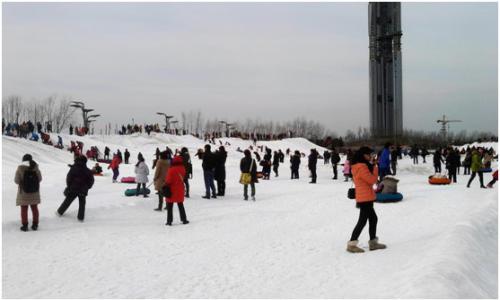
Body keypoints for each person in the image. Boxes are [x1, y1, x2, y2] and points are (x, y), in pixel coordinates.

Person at [347, 147, 386, 253]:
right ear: (362, 155)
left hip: (365, 196)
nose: (370, 156)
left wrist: (372, 165)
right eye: (368, 154)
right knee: (363, 221)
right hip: (364, 197)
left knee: (372, 219)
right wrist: (375, 167)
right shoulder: (361, 166)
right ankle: (352, 244)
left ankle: (372, 242)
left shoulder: (360, 165)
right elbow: (372, 180)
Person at [56, 156, 94, 222]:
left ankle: (59, 212)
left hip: (73, 188)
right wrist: (87, 187)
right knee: (82, 204)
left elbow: (69, 178)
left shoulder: (74, 168)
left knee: (67, 201)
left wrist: (69, 186)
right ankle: (80, 218)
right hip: (83, 190)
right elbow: (91, 180)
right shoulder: (88, 171)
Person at [15, 154, 42, 231]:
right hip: (34, 192)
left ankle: (25, 225)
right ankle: (35, 224)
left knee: (24, 209)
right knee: (34, 208)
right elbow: (40, 179)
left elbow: (16, 181)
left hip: (24, 193)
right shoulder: (36, 168)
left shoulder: (20, 168)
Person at [164, 156, 189, 226]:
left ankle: (169, 221)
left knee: (170, 206)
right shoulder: (183, 168)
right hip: (180, 189)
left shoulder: (171, 170)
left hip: (171, 190)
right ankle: (184, 219)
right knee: (180, 205)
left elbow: (168, 181)